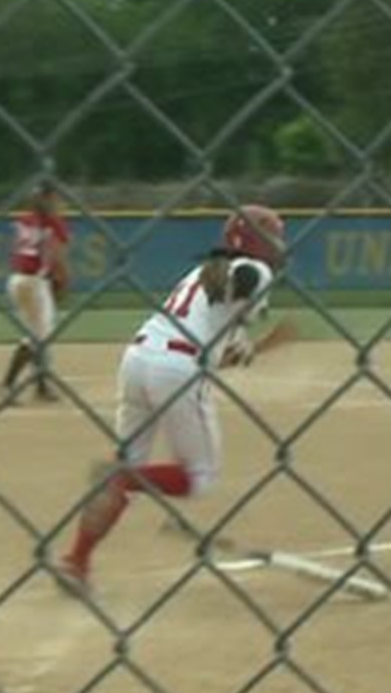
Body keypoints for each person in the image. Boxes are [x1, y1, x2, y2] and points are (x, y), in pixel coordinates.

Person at [58, 205, 296, 597]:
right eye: (273, 237)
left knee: (129, 468)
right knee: (198, 477)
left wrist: (261, 347)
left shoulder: (202, 273)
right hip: (177, 369)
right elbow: (247, 281)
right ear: (256, 241)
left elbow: (224, 350)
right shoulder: (254, 272)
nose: (279, 246)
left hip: (137, 359)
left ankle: (76, 561)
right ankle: (122, 479)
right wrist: (267, 327)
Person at [0, 183, 71, 402]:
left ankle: (41, 386)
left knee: (37, 334)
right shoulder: (53, 223)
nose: (58, 203)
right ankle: (7, 385)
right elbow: (58, 256)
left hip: (16, 280)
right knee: (38, 336)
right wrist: (63, 280)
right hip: (35, 282)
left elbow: (19, 249)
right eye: (54, 198)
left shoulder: (25, 218)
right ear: (48, 199)